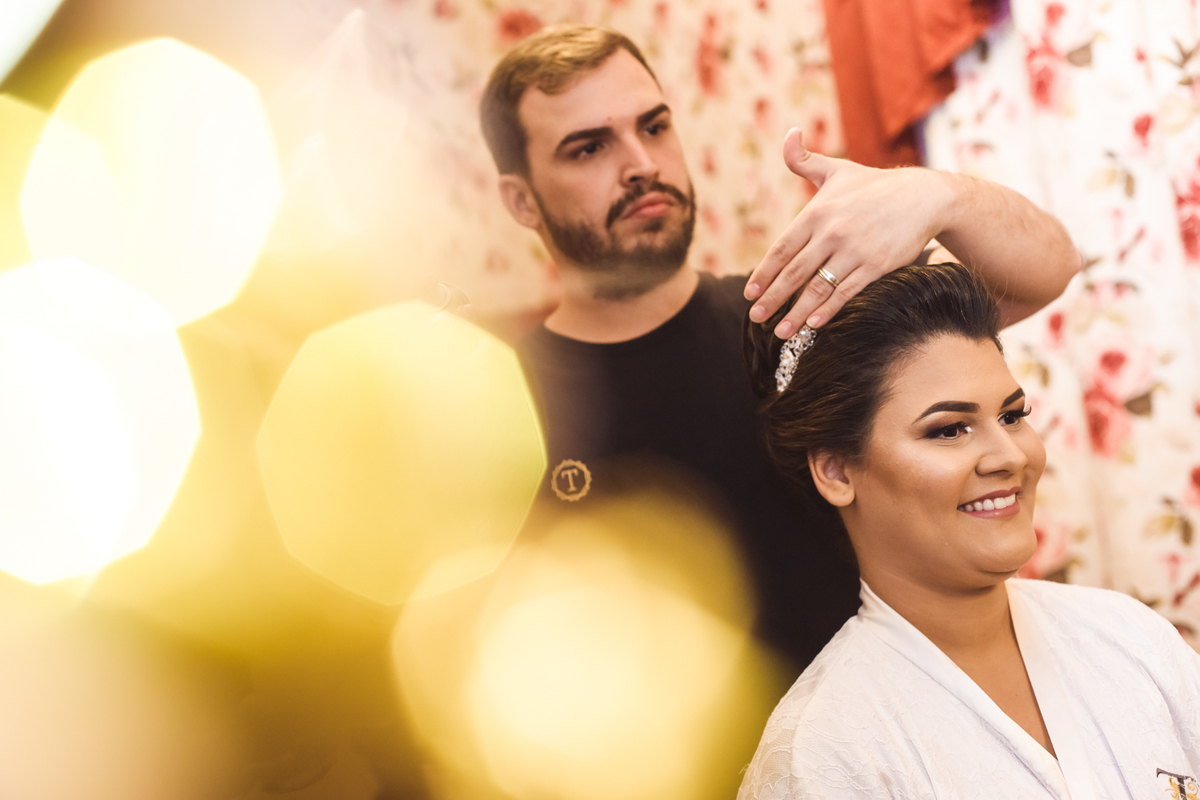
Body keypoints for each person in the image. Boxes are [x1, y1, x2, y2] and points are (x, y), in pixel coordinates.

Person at [479, 24, 1080, 670]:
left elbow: (1050, 269)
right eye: (589, 147)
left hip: (884, 719)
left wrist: (939, 197)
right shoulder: (496, 409)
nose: (642, 165)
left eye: (653, 127)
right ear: (521, 201)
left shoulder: (798, 318)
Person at [737, 262, 1200, 799]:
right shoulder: (822, 755)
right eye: (949, 429)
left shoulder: (1128, 637)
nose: (1010, 456)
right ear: (837, 471)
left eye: (1012, 416)